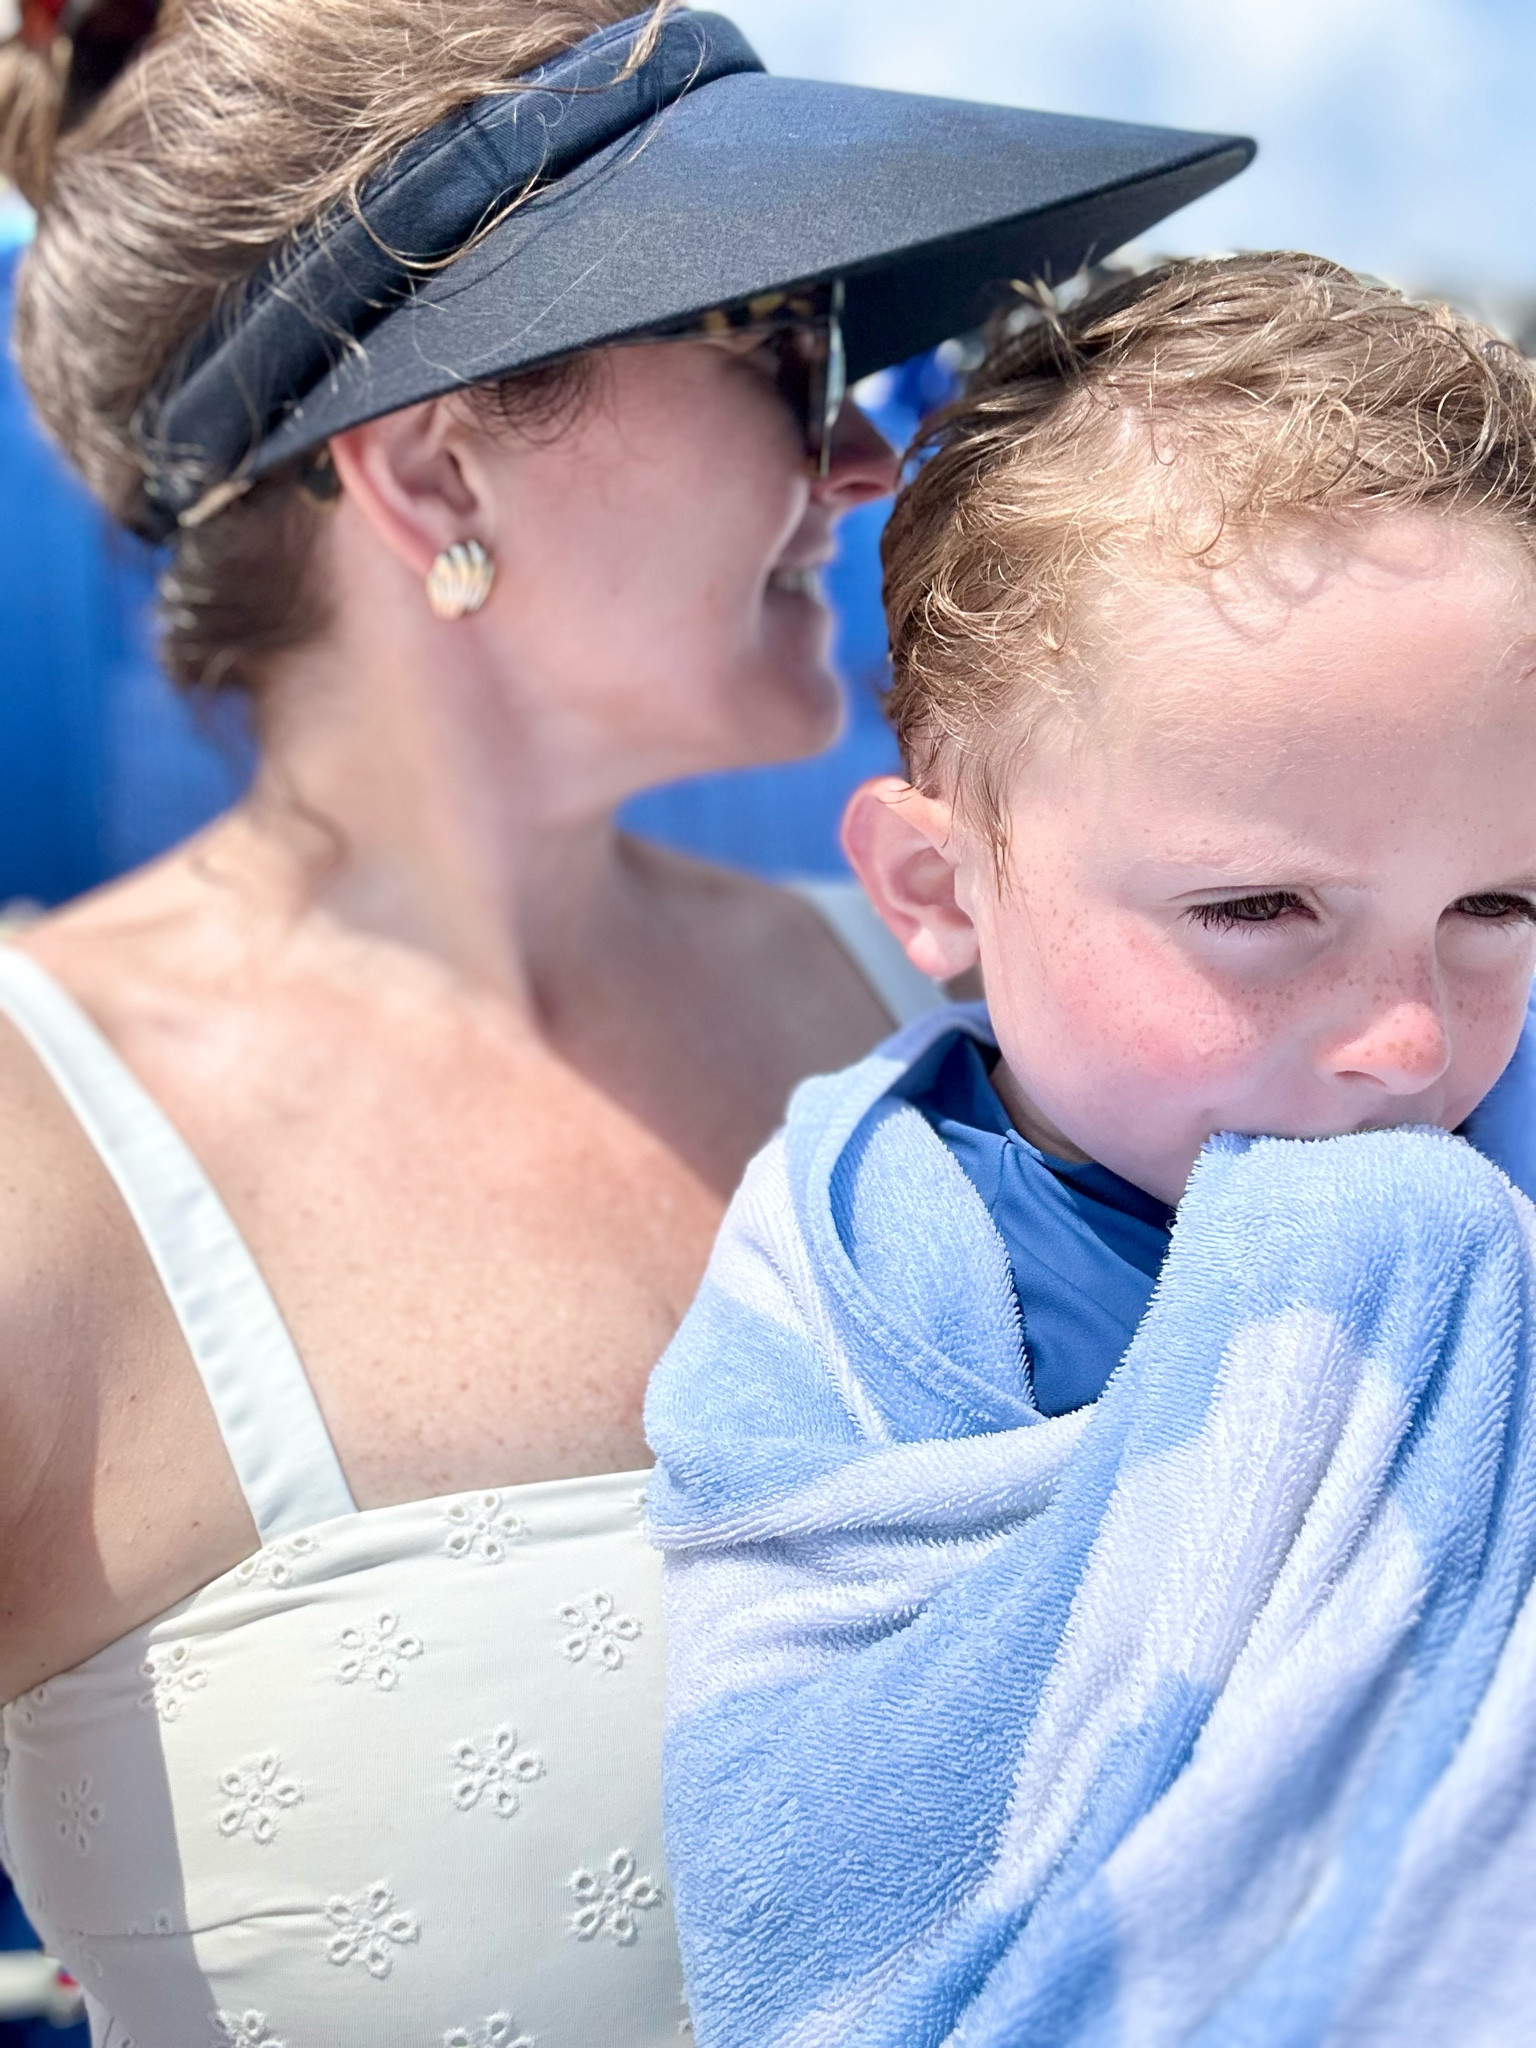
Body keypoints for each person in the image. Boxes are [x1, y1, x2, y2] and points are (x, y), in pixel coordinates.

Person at [0, 1, 1251, 2042]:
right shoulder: (32, 1163)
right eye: (781, 344)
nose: (871, 450)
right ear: (434, 466)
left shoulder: (966, 996)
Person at [647, 255, 1536, 2044]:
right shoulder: (855, 1298)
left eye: (1501, 906)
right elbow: (813, 1860)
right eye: (1258, 909)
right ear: (936, 886)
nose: (1409, 1041)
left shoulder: (1485, 1232)